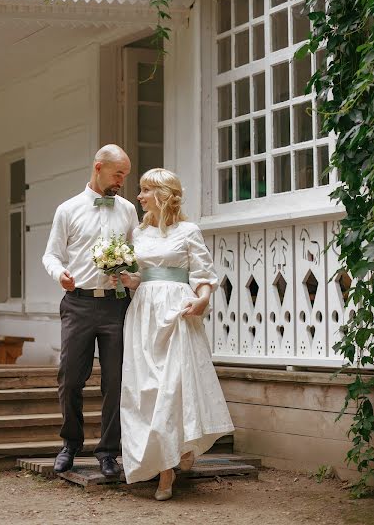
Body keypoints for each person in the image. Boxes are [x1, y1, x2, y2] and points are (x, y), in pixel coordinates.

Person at [113, 168, 234, 500]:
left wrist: (203, 299)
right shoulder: (138, 234)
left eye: (144, 191)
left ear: (161, 195)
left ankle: (168, 471)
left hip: (178, 311)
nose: (138, 197)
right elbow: (141, 277)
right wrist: (126, 279)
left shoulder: (188, 231)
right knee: (146, 389)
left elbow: (204, 273)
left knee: (173, 388)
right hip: (143, 314)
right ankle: (165, 459)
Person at [42, 145, 138, 476]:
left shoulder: (127, 210)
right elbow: (51, 255)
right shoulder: (67, 210)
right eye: (118, 174)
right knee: (69, 377)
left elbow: (137, 253)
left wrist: (131, 273)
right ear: (98, 168)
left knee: (116, 380)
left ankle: (109, 452)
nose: (122, 181)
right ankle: (70, 444)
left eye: (125, 175)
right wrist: (60, 275)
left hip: (117, 304)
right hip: (78, 303)